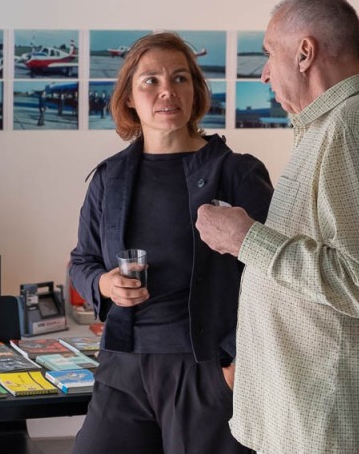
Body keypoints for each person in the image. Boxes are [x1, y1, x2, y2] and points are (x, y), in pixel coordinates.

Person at [196, 0, 359, 453]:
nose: (265, 72)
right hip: (314, 418)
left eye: (270, 53)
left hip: (330, 425)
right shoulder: (331, 128)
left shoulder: (348, 131)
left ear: (304, 53)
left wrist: (246, 239)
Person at [69, 32, 273, 454]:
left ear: (196, 91)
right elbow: (82, 260)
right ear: (128, 96)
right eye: (151, 80)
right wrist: (104, 285)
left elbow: (271, 279)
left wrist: (233, 368)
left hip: (204, 371)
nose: (167, 91)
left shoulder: (236, 173)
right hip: (122, 367)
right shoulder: (109, 178)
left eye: (180, 78)